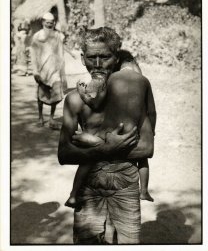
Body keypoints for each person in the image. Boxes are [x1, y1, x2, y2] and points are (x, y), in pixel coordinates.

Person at [58, 27, 156, 244]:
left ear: (116, 57)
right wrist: (107, 148)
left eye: (105, 57)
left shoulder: (134, 94)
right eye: (92, 58)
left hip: (126, 186)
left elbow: (147, 148)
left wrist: (95, 144)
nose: (99, 64)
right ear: (83, 59)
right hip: (90, 188)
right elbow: (64, 153)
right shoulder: (75, 100)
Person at [65, 56, 154, 209]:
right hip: (134, 132)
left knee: (89, 158)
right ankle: (144, 191)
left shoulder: (112, 79)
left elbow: (97, 103)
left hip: (112, 130)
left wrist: (82, 93)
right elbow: (151, 111)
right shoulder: (144, 80)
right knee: (143, 159)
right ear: (135, 65)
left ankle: (73, 194)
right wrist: (152, 130)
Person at [31, 12, 65, 129]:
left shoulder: (58, 36)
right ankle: (40, 117)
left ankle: (51, 119)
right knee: (41, 95)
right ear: (43, 22)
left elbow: (61, 53)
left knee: (55, 96)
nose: (49, 24)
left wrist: (62, 71)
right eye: (47, 22)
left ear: (53, 23)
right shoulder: (37, 36)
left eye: (51, 23)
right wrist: (35, 71)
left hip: (55, 70)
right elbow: (33, 55)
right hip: (42, 70)